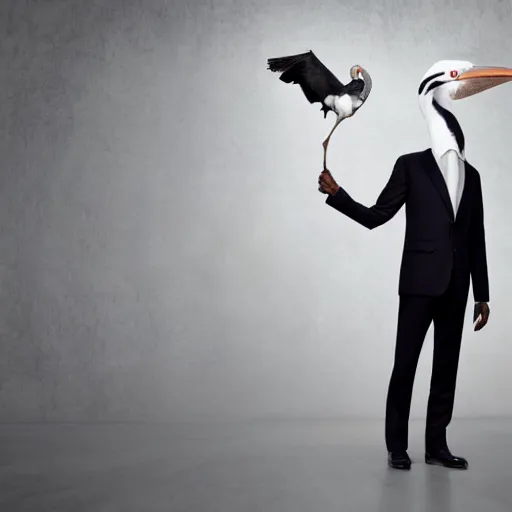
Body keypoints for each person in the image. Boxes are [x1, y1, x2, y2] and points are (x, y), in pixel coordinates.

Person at [318, 151, 490, 470]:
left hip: (457, 286)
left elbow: (475, 235)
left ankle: (436, 446)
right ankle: (397, 446)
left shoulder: (473, 176)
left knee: (445, 369)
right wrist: (338, 194)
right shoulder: (411, 165)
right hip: (418, 282)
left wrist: (482, 293)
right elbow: (377, 215)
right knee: (405, 366)